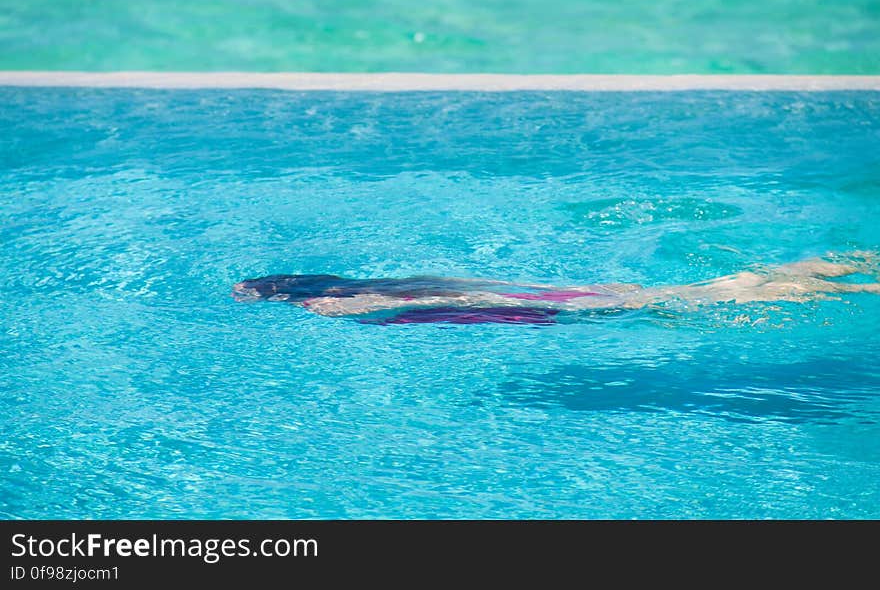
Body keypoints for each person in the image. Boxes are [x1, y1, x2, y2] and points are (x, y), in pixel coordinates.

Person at [232, 252, 880, 323]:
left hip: (556, 300)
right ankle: (841, 266)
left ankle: (852, 287)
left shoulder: (361, 301)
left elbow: (471, 299)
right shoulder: (384, 284)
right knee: (693, 288)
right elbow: (466, 286)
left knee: (693, 297)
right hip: (561, 290)